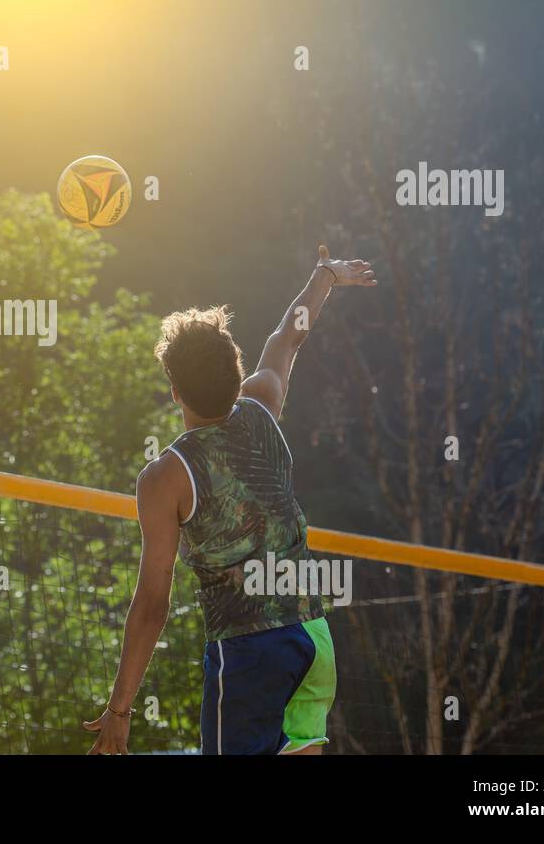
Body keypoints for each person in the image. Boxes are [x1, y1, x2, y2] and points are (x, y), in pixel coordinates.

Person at [86, 246, 376, 755]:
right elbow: (290, 334)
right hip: (313, 635)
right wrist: (325, 277)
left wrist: (119, 709)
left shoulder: (165, 477)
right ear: (236, 367)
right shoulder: (262, 402)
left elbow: (152, 604)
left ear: (174, 391)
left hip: (249, 650)